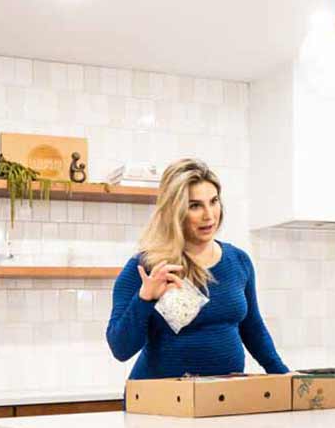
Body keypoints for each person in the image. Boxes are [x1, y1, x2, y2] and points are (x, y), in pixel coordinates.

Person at [106, 158, 287, 379]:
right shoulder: (147, 267)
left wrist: (284, 376)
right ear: (175, 211)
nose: (209, 215)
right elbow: (121, 349)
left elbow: (253, 329)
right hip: (162, 403)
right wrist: (145, 298)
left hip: (222, 398)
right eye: (195, 206)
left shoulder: (239, 261)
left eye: (214, 201)